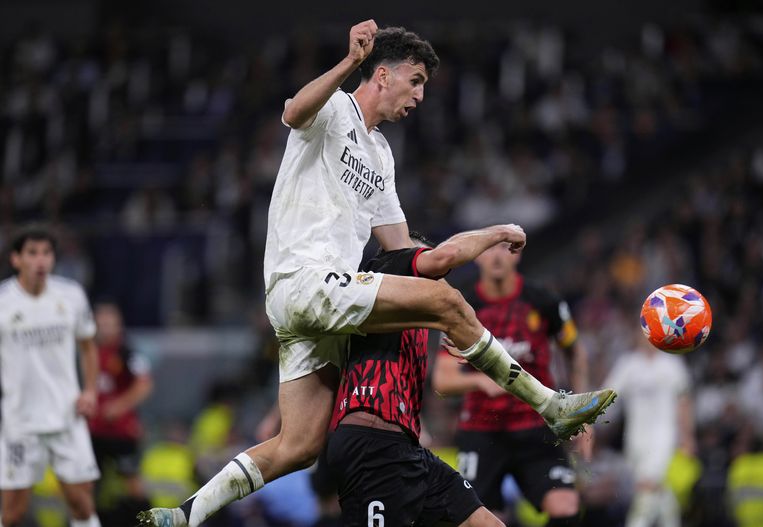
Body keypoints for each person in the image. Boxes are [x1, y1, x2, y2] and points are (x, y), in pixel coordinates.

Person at [138, 20, 615, 527]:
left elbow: (408, 249)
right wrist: (347, 62)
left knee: (299, 445)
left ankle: (185, 515)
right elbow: (291, 112)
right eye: (416, 82)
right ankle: (549, 405)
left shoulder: (381, 154)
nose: (420, 96)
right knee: (449, 303)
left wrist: (481, 243)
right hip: (307, 278)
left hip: (315, 307)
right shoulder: (335, 109)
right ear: (382, 75)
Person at [327, 230, 507, 527]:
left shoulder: (419, 314)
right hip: (373, 445)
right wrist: (503, 232)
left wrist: (460, 325)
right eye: (423, 261)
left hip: (405, 447)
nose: (437, 275)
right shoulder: (384, 276)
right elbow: (445, 256)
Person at [433, 241, 592, 527]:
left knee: (567, 508)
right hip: (482, 433)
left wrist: (581, 411)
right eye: (489, 248)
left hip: (535, 430)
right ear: (477, 257)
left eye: (505, 248)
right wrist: (480, 380)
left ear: (516, 256)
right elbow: (443, 379)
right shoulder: (464, 308)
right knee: (479, 520)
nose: (496, 256)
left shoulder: (544, 302)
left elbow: (576, 353)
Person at [0, 225, 102, 527]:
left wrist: (91, 391)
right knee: (11, 513)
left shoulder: (71, 296)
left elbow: (88, 347)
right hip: (20, 422)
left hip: (66, 417)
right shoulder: (3, 302)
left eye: (46, 253)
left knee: (81, 504)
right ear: (16, 259)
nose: (41, 260)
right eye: (32, 253)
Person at [603, 329, 696, 527]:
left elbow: (684, 401)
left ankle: (636, 523)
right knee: (658, 489)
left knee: (648, 484)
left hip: (664, 436)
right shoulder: (627, 365)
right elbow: (609, 397)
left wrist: (687, 436)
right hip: (636, 438)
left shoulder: (672, 364)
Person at [88, 301, 154, 525]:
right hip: (94, 431)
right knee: (88, 484)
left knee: (132, 483)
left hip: (121, 432)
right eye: (101, 321)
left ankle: (148, 521)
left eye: (110, 321)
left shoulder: (127, 351)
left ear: (119, 324)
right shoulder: (89, 351)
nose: (105, 326)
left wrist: (119, 406)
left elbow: (144, 384)